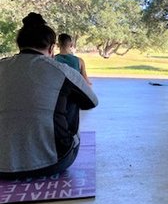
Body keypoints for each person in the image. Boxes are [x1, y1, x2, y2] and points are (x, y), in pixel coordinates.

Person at [0, 13, 98, 179]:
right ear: (52, 48)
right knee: (72, 96)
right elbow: (91, 102)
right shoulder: (62, 70)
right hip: (54, 162)